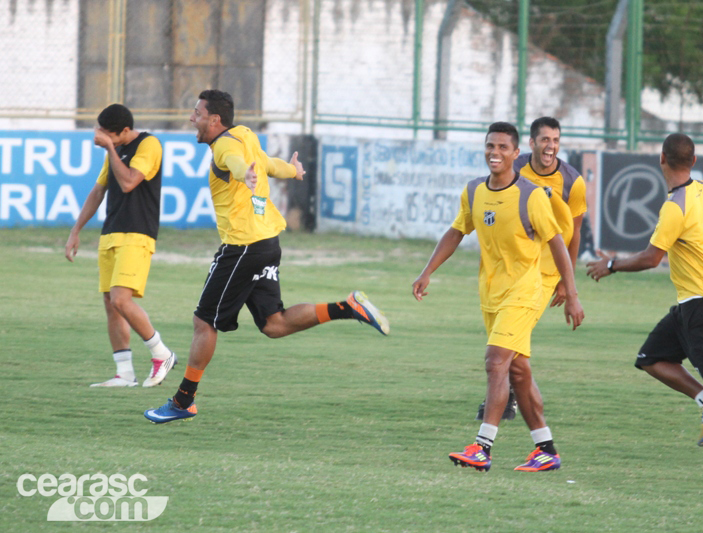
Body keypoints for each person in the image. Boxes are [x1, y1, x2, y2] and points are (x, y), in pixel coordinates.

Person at [144, 89, 389, 423]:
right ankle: (347, 307)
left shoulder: (226, 146)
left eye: (197, 113)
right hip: (266, 242)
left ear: (215, 120)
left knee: (204, 322)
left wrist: (244, 172)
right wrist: (292, 171)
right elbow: (268, 164)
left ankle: (184, 400)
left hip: (243, 247)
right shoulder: (245, 135)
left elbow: (236, 162)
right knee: (274, 324)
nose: (192, 118)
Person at [586, 133, 703, 466]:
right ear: (693, 162)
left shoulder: (674, 207)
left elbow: (651, 258)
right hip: (695, 303)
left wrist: (611, 265)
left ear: (661, 158)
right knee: (650, 358)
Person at [412, 121, 584, 472]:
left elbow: (558, 243)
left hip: (525, 291)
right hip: (491, 293)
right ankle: (546, 450)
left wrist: (571, 292)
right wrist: (427, 271)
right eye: (491, 146)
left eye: (503, 147)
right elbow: (457, 229)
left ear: (516, 154)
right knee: (518, 370)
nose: (495, 152)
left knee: (495, 362)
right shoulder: (474, 191)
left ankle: (482, 446)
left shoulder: (531, 195)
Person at [475, 116, 587, 421]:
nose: (550, 146)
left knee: (509, 341)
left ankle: (503, 403)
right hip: (518, 264)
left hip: (547, 270)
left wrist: (567, 283)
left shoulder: (573, 181)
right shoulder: (516, 167)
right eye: (545, 140)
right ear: (532, 143)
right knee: (515, 348)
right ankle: (540, 437)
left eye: (555, 141)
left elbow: (573, 234)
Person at [65, 103, 177, 388]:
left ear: (125, 131)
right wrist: (75, 231)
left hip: (137, 234)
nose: (101, 139)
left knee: (121, 299)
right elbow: (100, 189)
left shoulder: (149, 145)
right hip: (111, 233)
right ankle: (124, 373)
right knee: (110, 305)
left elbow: (128, 182)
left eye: (108, 135)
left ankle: (161, 353)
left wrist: (110, 150)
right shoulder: (114, 151)